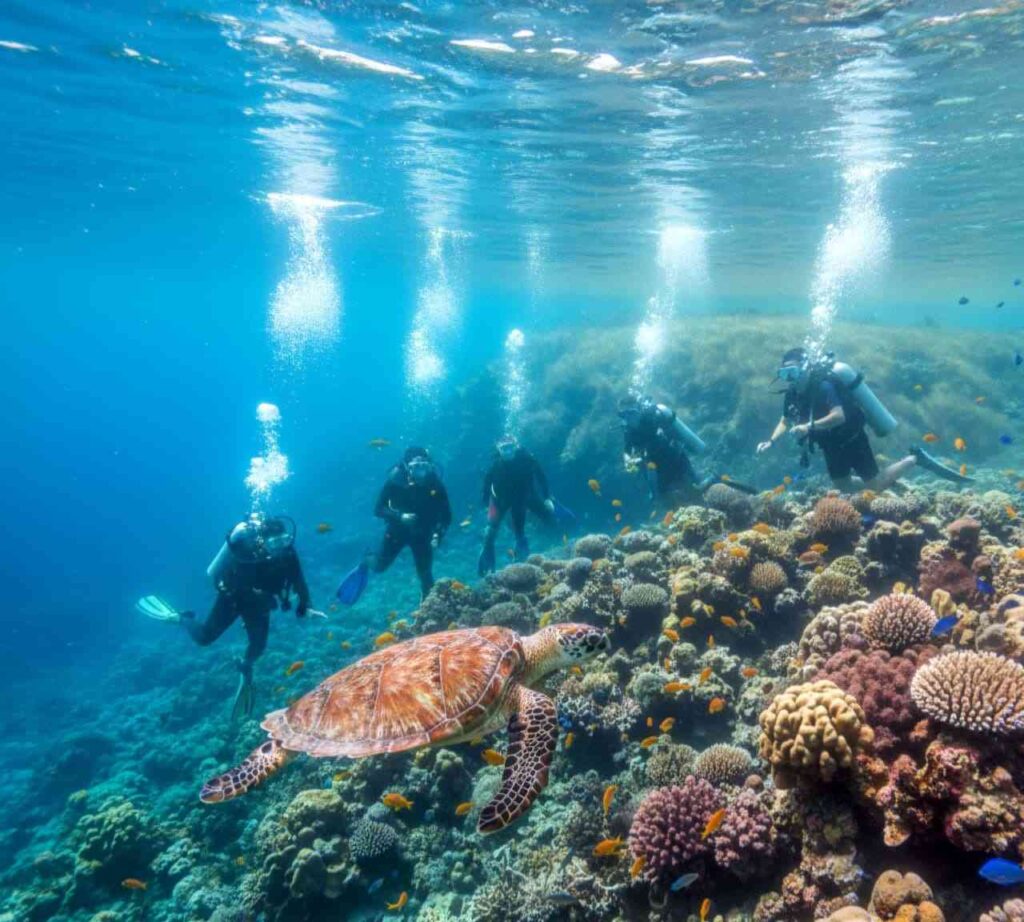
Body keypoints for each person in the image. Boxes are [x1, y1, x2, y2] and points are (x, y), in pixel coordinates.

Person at [136, 513, 316, 719]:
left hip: (259, 605)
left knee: (258, 647)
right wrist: (263, 597)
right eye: (275, 542)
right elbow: (238, 586)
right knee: (204, 638)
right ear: (263, 541)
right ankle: (182, 618)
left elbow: (299, 580)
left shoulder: (288, 554)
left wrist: (306, 604)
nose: (280, 547)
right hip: (233, 599)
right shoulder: (247, 554)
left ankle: (245, 666)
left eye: (284, 541)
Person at [756, 347, 969, 491]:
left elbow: (839, 416)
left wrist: (808, 427)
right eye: (784, 374)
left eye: (792, 372)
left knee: (874, 486)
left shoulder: (824, 386)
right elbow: (785, 419)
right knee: (843, 486)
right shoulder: (792, 393)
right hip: (830, 444)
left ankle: (915, 459)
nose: (790, 379)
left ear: (803, 369)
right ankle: (888, 478)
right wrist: (771, 441)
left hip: (850, 438)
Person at [337, 447, 452, 605]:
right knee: (379, 567)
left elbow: (447, 516)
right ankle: (366, 560)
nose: (421, 473)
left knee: (425, 575)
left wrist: (438, 535)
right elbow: (378, 509)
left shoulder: (435, 483)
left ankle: (429, 613)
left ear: (430, 466)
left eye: (424, 467)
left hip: (422, 534)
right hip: (397, 532)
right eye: (415, 467)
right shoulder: (396, 481)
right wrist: (400, 516)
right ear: (407, 467)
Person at [618, 395, 757, 501]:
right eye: (623, 415)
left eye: (631, 413)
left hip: (676, 461)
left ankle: (731, 485)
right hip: (657, 471)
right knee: (667, 499)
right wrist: (628, 461)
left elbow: (673, 437)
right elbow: (627, 451)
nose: (628, 418)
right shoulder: (628, 431)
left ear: (638, 409)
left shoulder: (653, 417)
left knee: (699, 487)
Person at [478, 435, 556, 574]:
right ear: (498, 450)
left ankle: (555, 546)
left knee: (548, 517)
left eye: (510, 448)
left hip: (526, 495)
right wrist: (486, 505)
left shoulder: (527, 459)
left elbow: (541, 476)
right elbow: (486, 486)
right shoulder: (495, 465)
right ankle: (487, 554)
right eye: (504, 449)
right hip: (501, 499)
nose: (507, 452)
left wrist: (547, 497)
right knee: (491, 530)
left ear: (516, 447)